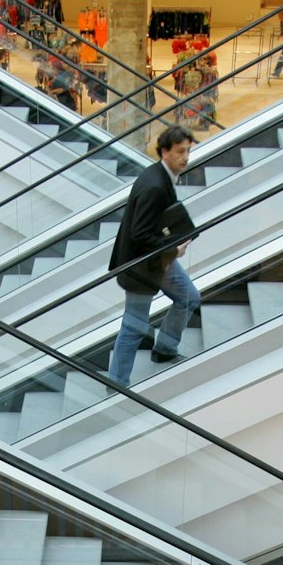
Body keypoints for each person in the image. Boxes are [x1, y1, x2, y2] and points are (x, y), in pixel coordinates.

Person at [106, 125, 200, 385]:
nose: (186, 157)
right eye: (180, 151)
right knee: (134, 326)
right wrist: (173, 249)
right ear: (165, 151)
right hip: (142, 267)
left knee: (189, 298)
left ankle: (165, 349)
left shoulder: (161, 175)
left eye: (188, 151)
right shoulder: (155, 186)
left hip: (158, 261)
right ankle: (117, 384)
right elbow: (139, 234)